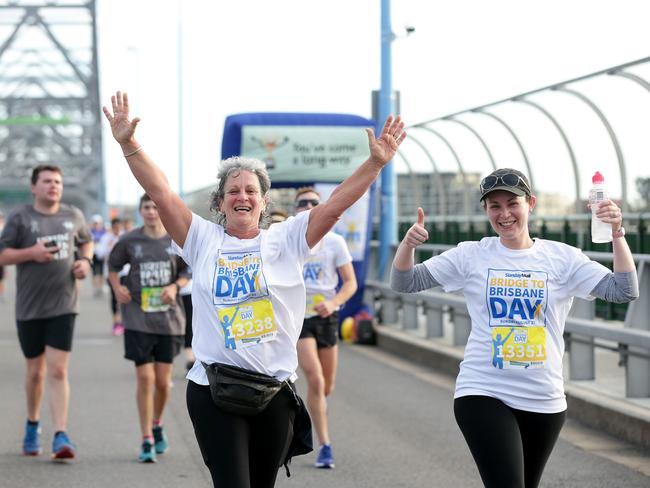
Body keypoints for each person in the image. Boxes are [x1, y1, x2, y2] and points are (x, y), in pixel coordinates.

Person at [102, 90, 405, 487]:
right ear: (221, 202)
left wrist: (375, 164)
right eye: (233, 191)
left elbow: (334, 208)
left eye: (250, 191)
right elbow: (161, 193)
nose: (242, 196)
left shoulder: (288, 237)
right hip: (214, 388)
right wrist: (129, 144)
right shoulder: (201, 239)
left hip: (273, 392)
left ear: (264, 201)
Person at [390, 168, 639, 488]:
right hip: (483, 389)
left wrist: (617, 233)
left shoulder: (562, 257)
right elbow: (405, 282)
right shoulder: (471, 255)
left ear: (531, 203)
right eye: (494, 206)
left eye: (512, 203)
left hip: (544, 397)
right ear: (485, 211)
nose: (504, 214)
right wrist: (408, 245)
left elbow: (623, 290)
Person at [0, 164, 93, 460]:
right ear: (34, 187)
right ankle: (32, 423)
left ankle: (61, 434)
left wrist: (85, 262)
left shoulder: (73, 216)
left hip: (63, 304)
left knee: (58, 369)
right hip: (29, 307)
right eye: (47, 182)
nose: (53, 186)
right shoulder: (20, 218)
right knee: (35, 371)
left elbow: (86, 241)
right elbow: (3, 254)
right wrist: (31, 254)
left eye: (57, 182)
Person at [107, 194, 189, 463]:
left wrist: (174, 286)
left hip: (168, 320)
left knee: (164, 382)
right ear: (140, 211)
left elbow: (187, 271)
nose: (152, 212)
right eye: (147, 207)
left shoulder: (176, 239)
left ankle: (157, 423)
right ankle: (146, 438)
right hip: (137, 318)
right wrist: (117, 287)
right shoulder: (130, 240)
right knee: (145, 378)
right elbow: (113, 266)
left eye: (156, 206)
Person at [294, 187, 357, 469]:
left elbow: (350, 283)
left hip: (326, 318)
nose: (308, 206)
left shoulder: (335, 243)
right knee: (316, 380)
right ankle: (325, 445)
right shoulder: (290, 241)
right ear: (296, 210)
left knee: (326, 386)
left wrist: (333, 303)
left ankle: (315, 409)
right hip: (299, 319)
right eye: (302, 203)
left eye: (314, 202)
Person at [95, 217, 124, 335]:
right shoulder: (106, 238)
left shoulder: (125, 237)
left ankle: (123, 321)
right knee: (115, 297)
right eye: (115, 228)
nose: (117, 230)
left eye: (119, 227)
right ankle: (116, 322)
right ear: (112, 228)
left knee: (125, 298)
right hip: (111, 273)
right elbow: (99, 254)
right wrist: (108, 246)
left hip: (125, 273)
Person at [90, 214, 107, 296]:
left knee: (101, 272)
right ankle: (95, 288)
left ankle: (100, 288)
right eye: (95, 223)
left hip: (101, 255)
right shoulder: (90, 232)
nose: (96, 225)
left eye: (98, 223)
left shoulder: (104, 232)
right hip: (93, 254)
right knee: (94, 272)